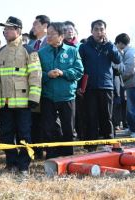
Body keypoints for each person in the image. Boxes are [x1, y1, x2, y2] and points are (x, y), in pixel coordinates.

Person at [0, 16, 42, 176]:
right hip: (5, 103)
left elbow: (35, 75)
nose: (5, 31)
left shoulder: (29, 51)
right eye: (4, 29)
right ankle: (11, 163)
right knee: (6, 134)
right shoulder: (0, 52)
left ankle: (24, 166)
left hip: (24, 104)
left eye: (9, 28)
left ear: (18, 30)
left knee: (24, 135)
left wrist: (33, 99)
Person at [39, 22, 83, 159]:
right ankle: (52, 155)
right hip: (48, 96)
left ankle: (68, 155)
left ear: (61, 36)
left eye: (52, 34)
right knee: (49, 127)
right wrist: (47, 75)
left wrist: (63, 73)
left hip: (67, 96)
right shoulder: (41, 53)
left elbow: (79, 71)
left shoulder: (72, 51)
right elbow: (36, 74)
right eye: (48, 33)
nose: (49, 36)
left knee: (68, 127)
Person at [79, 19, 121, 151]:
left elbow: (118, 59)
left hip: (106, 85)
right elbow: (80, 67)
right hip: (90, 86)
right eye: (96, 29)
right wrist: (80, 86)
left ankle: (109, 143)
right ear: (91, 31)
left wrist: (109, 45)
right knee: (91, 116)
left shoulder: (109, 45)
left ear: (105, 31)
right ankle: (91, 146)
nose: (99, 32)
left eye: (101, 29)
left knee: (107, 116)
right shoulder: (84, 47)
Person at [115, 33, 135, 138]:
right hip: (131, 84)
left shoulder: (130, 53)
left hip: (134, 83)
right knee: (131, 107)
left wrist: (119, 78)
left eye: (116, 44)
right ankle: (133, 128)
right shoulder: (129, 52)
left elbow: (129, 70)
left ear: (120, 43)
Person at [30, 15, 50, 159]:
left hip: (47, 88)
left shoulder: (50, 44)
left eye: (36, 24)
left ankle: (49, 149)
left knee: (47, 121)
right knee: (35, 121)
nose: (33, 27)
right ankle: (36, 150)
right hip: (33, 89)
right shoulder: (31, 44)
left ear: (45, 26)